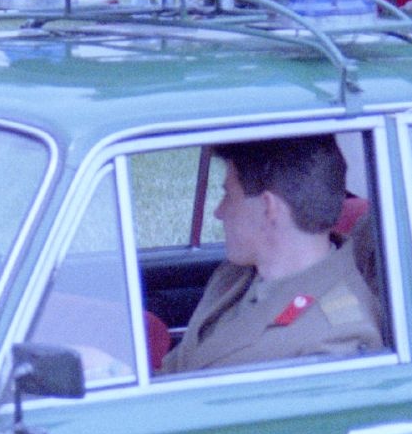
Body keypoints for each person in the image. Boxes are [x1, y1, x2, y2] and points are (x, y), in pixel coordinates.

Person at [157, 137, 385, 375]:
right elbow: (183, 361)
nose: (219, 212)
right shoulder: (238, 273)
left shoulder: (338, 339)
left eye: (228, 196)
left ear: (268, 208)